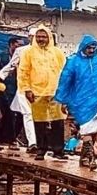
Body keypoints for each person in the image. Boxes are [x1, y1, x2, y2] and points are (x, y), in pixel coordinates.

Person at [54, 34, 97, 170]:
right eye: (89, 47)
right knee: (86, 130)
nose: (91, 50)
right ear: (83, 47)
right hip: (79, 102)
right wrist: (63, 99)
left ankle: (85, 158)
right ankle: (91, 158)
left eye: (93, 47)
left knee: (93, 131)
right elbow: (65, 81)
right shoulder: (73, 61)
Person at [19, 25, 67, 160]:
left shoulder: (57, 53)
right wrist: (27, 89)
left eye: (44, 36)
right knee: (40, 122)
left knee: (58, 121)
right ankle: (41, 150)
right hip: (37, 92)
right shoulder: (28, 53)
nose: (41, 39)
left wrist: (64, 91)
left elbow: (65, 73)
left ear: (49, 37)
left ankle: (58, 151)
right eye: (39, 36)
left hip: (55, 92)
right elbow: (23, 72)